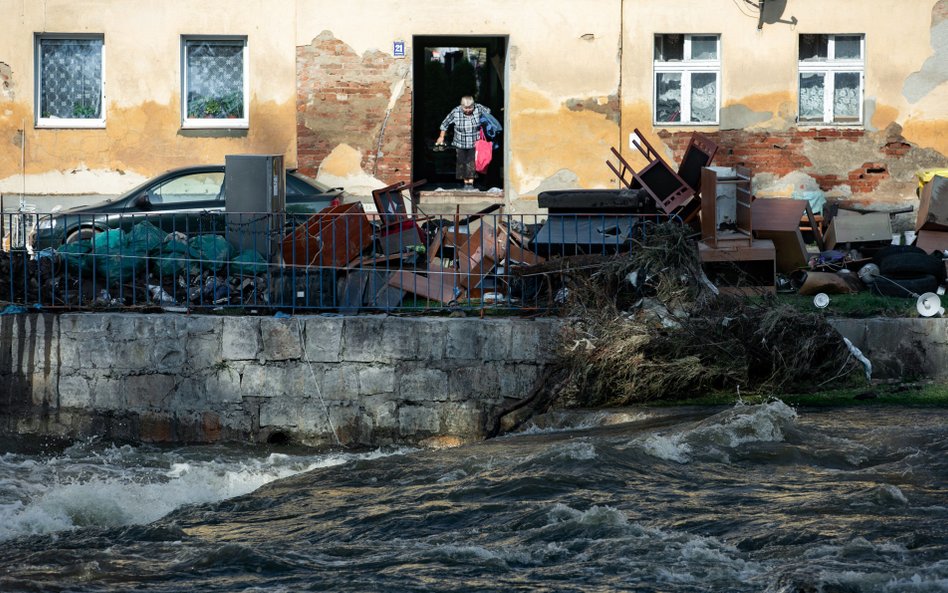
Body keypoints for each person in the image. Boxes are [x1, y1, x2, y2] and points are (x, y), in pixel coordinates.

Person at [436, 96, 490, 189]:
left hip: (474, 142)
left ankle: (470, 183)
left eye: (470, 108)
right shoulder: (456, 111)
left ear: (473, 105)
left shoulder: (478, 108)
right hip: (460, 142)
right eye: (465, 108)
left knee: (471, 162)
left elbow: (488, 112)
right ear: (461, 106)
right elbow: (445, 123)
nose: (468, 110)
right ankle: (466, 183)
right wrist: (441, 137)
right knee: (462, 162)